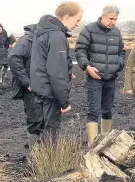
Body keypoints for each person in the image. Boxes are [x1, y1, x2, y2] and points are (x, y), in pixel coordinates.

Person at [30, 1, 83, 141]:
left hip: (40, 89)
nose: (78, 23)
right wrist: (64, 102)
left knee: (42, 131)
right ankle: (48, 162)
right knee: (51, 134)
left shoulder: (43, 32)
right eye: (77, 19)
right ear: (66, 16)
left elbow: (43, 62)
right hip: (50, 93)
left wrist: (66, 70)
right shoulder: (57, 36)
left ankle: (39, 160)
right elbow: (56, 73)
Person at [75, 5, 125, 145]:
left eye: (115, 19)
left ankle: (106, 143)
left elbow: (121, 52)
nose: (113, 22)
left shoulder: (116, 32)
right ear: (103, 16)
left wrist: (119, 65)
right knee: (94, 111)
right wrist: (87, 66)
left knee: (107, 110)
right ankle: (93, 145)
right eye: (111, 18)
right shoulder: (89, 30)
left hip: (111, 79)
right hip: (95, 79)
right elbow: (80, 50)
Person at [7, 15, 52, 148]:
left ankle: (46, 153)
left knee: (47, 120)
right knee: (35, 119)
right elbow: (13, 59)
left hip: (48, 86)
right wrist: (27, 82)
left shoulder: (50, 39)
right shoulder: (28, 40)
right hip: (32, 87)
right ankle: (35, 155)